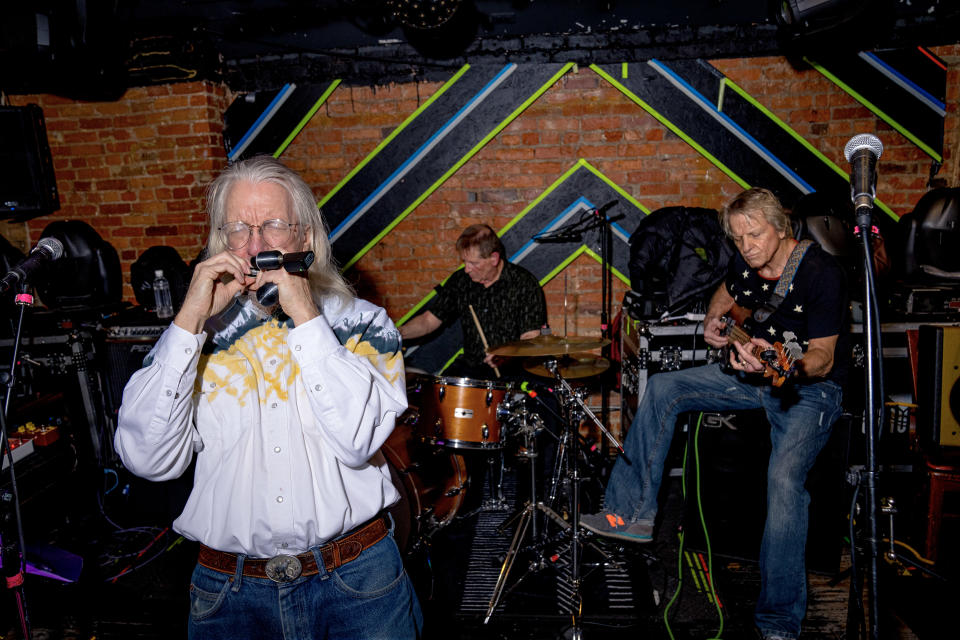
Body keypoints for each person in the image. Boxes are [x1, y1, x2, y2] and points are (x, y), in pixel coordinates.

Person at [114, 156, 422, 639]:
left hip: (357, 583)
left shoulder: (364, 324)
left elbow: (358, 439)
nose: (255, 245)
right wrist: (189, 323)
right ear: (221, 242)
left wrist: (305, 314)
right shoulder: (193, 339)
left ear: (306, 238)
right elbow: (147, 459)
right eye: (238, 228)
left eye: (274, 225)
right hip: (230, 596)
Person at [581, 187, 849, 640]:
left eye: (755, 234)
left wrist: (790, 364)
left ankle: (780, 623)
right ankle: (631, 514)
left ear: (781, 227)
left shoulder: (823, 273)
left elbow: (821, 356)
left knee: (784, 482)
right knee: (665, 387)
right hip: (751, 377)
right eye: (739, 237)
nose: (747, 246)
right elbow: (726, 290)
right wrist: (712, 321)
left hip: (809, 390)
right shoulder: (747, 262)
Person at [399, 223, 547, 379]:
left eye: (473, 263)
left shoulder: (523, 283)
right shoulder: (461, 281)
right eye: (464, 261)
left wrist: (506, 355)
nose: (466, 269)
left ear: (494, 258)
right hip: (471, 367)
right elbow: (428, 320)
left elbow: (531, 336)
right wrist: (397, 333)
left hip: (511, 368)